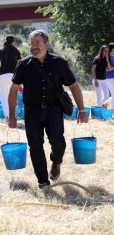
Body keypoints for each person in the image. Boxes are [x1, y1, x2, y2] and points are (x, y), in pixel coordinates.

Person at [8, 29, 88, 189]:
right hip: (32, 112)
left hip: (54, 110)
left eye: (38, 43)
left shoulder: (59, 63)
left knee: (59, 143)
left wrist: (82, 110)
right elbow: (13, 89)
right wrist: (11, 115)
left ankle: (56, 161)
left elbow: (74, 86)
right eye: (31, 43)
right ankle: (43, 181)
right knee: (35, 146)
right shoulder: (23, 64)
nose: (34, 46)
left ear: (47, 44)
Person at [0, 35, 21, 118]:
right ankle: (13, 114)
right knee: (13, 95)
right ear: (13, 42)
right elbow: (19, 65)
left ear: (5, 40)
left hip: (2, 76)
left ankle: (7, 116)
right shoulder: (16, 51)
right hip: (13, 76)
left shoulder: (0, 51)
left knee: (4, 96)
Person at [105, 43, 114, 110]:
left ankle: (106, 104)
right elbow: (108, 69)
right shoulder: (107, 57)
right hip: (109, 78)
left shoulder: (113, 56)